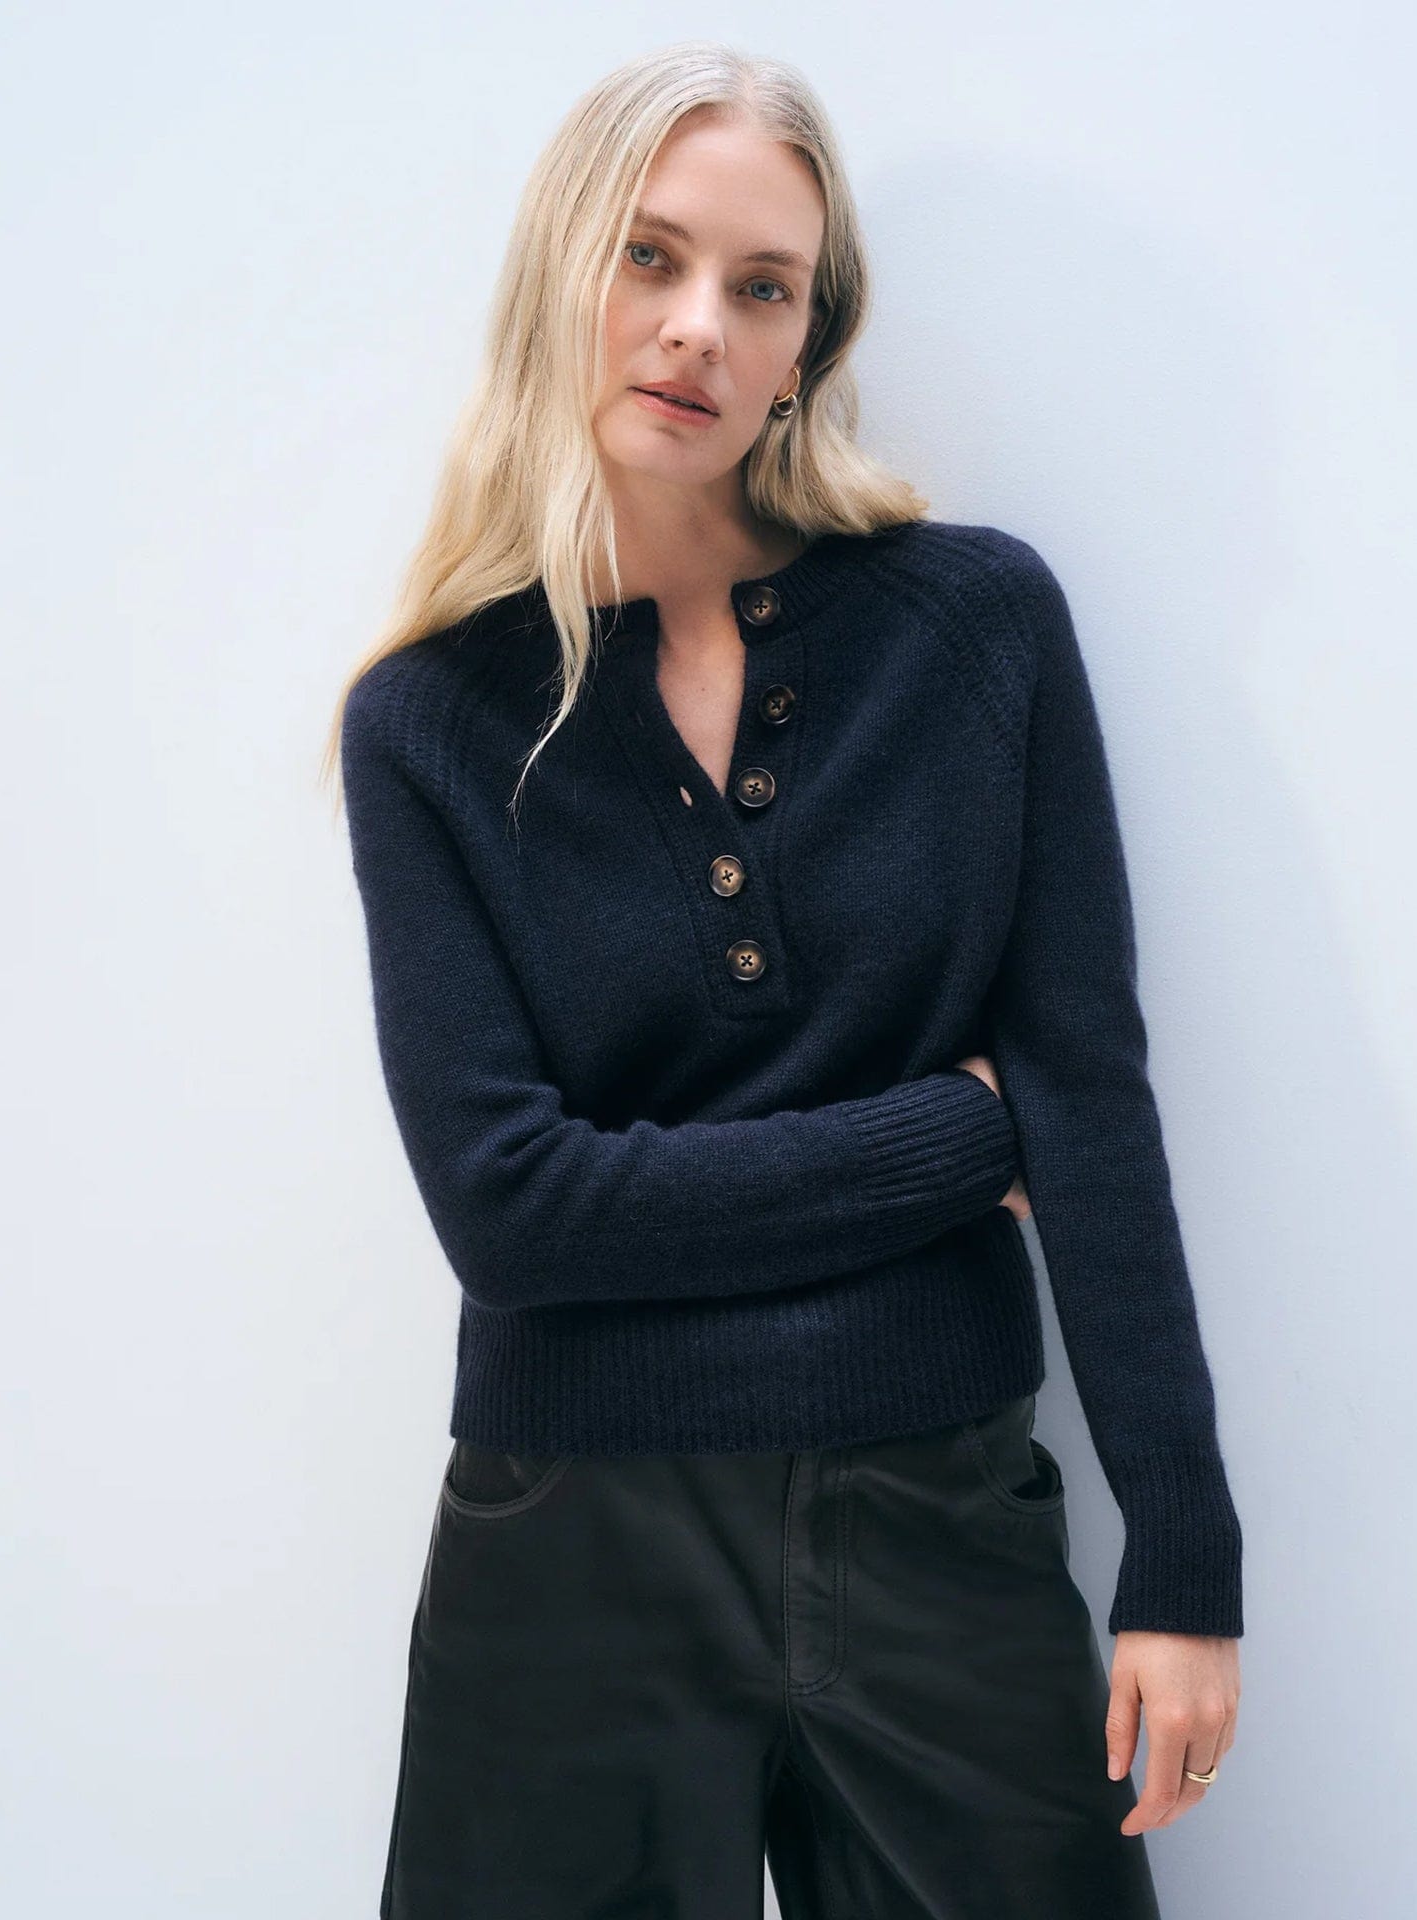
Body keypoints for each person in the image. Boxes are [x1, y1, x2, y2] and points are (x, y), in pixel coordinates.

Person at [325, 39, 1243, 1920]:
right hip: (569, 1549)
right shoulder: (428, 725)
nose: (699, 332)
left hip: (940, 1523)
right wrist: (944, 1139)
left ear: (809, 343)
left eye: (763, 291)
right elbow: (515, 1213)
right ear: (562, 276)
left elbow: (1089, 1092)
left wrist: (1183, 1556)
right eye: (650, 261)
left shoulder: (976, 629)